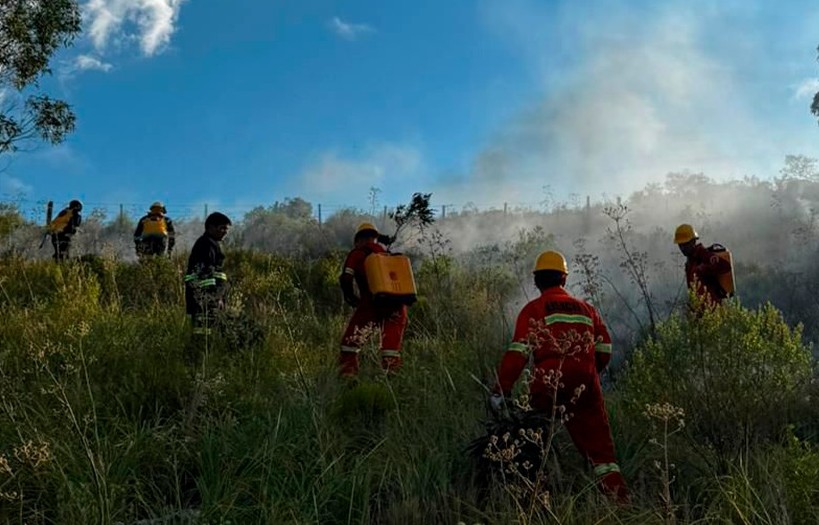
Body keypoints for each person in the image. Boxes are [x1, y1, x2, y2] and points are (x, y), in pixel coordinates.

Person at [490, 250, 628, 503]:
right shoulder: (587, 309)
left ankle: (536, 500)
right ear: (564, 278)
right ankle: (620, 504)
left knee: (535, 439)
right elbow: (605, 348)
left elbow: (518, 353)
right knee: (602, 454)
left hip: (548, 380)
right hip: (586, 383)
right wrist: (587, 372)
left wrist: (501, 390)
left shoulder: (533, 309)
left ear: (536, 281)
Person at [339, 222, 406, 376]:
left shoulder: (357, 253)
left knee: (349, 344)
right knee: (391, 349)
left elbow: (346, 278)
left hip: (370, 306)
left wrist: (350, 297)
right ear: (376, 238)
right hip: (397, 306)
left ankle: (348, 376)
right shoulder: (388, 255)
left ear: (358, 240)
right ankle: (391, 377)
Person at [184, 212, 231, 337]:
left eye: (227, 229)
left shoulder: (210, 244)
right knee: (204, 332)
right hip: (205, 298)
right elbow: (206, 274)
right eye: (222, 228)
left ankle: (202, 348)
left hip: (203, 297)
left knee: (206, 330)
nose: (225, 232)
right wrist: (215, 297)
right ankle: (200, 349)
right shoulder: (206, 244)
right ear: (211, 227)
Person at [673, 224, 732, 304]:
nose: (682, 248)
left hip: (713, 308)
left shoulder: (703, 254)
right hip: (699, 308)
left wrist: (702, 269)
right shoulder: (690, 261)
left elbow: (725, 266)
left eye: (685, 244)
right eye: (680, 245)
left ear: (693, 241)